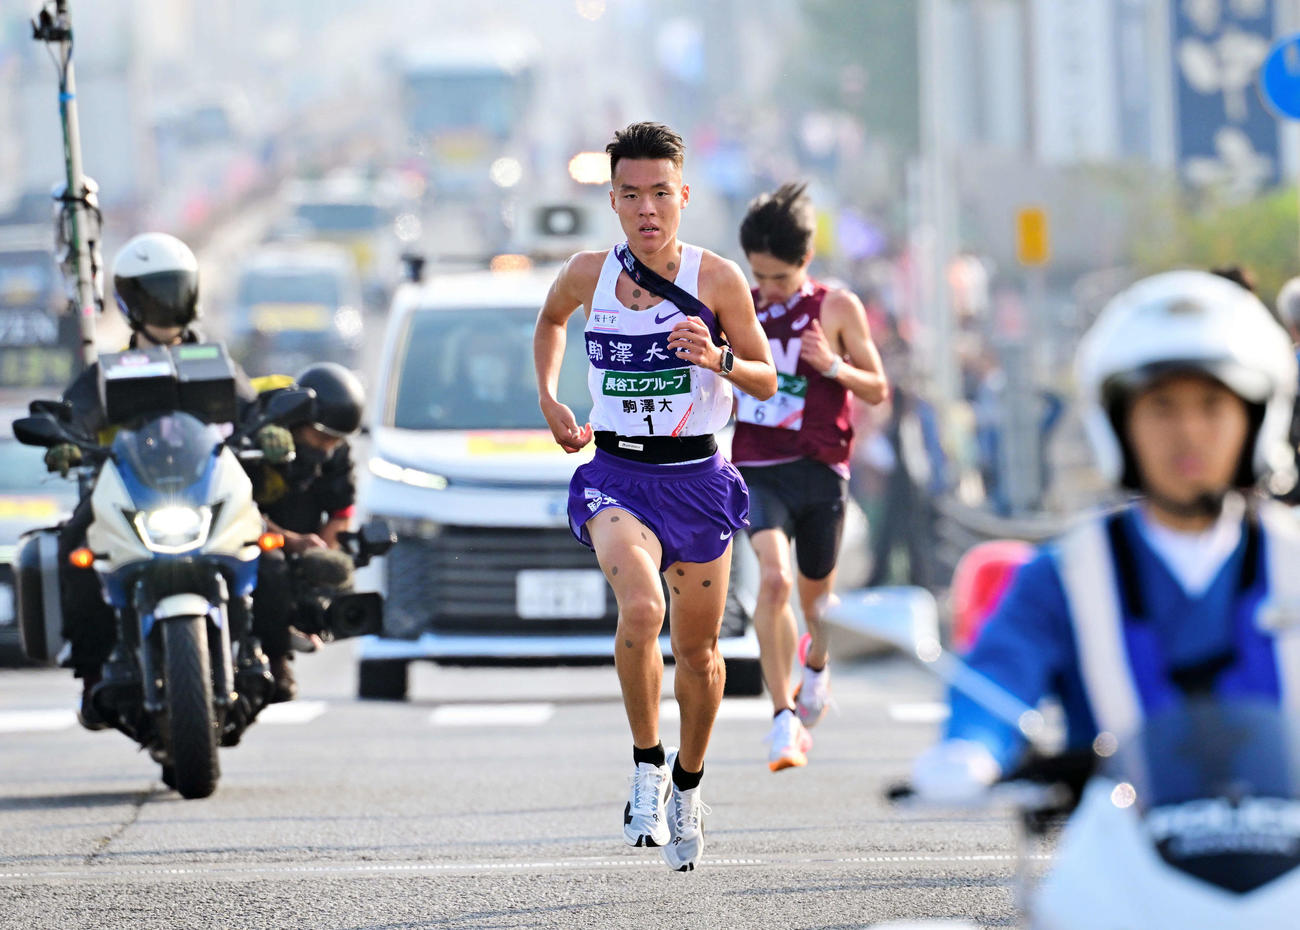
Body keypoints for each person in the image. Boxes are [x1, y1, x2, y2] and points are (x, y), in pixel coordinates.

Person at [910, 270, 1300, 802]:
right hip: (1114, 840)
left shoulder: (1291, 558)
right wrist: (969, 750)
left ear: (1255, 420)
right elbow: (999, 675)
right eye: (1161, 407)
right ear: (1118, 421)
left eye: (1213, 406)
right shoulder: (1069, 574)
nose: (1189, 431)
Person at [533, 121, 776, 871]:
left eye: (661, 193)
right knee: (642, 610)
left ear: (684, 196)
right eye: (631, 194)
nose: (647, 208)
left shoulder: (717, 279)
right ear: (611, 199)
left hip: (697, 480)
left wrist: (719, 358)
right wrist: (550, 397)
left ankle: (688, 782)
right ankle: (647, 766)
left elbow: (768, 379)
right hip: (616, 475)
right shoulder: (586, 273)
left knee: (699, 653)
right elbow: (550, 321)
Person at [43, 232, 274, 728]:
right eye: (156, 292)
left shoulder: (216, 361)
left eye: (176, 289)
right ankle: (91, 675)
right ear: (131, 300)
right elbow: (74, 414)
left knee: (269, 550)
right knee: (73, 550)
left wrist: (271, 431)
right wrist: (65, 441)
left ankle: (272, 655)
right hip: (131, 489)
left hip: (207, 486)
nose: (168, 304)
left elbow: (253, 410)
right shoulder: (108, 370)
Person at [732, 182, 889, 771]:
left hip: (820, 470)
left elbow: (878, 388)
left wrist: (833, 366)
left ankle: (816, 666)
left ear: (806, 260)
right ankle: (782, 719)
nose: (768, 289)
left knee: (816, 603)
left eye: (779, 277)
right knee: (772, 581)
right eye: (758, 276)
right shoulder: (739, 305)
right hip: (757, 466)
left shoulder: (837, 308)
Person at [247, 362, 365, 701]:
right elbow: (238, 503)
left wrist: (318, 556)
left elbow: (341, 512)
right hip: (246, 535)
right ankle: (276, 659)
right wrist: (291, 542)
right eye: (322, 437)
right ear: (300, 420)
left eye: (335, 441)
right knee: (271, 570)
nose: (328, 447)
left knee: (335, 572)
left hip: (299, 538)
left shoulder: (335, 451)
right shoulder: (255, 430)